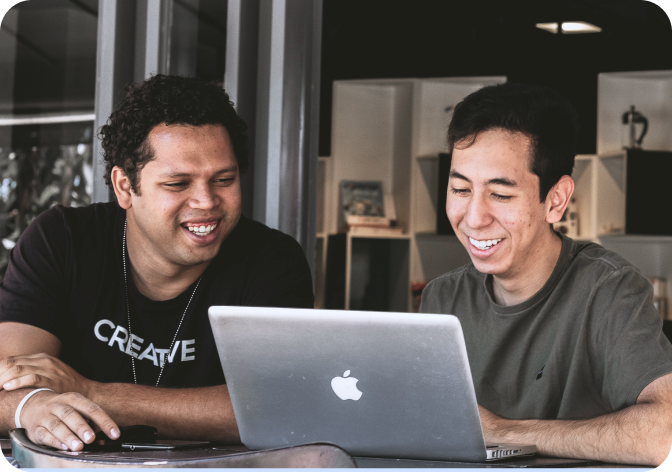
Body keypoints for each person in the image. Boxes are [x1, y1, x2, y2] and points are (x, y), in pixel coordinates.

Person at [0, 75, 314, 452]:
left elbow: (276, 407)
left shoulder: (272, 261)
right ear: (124, 187)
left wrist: (91, 393)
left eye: (224, 179)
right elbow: (9, 382)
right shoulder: (62, 239)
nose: (206, 201)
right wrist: (30, 407)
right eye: (178, 184)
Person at [419, 82, 672, 466]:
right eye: (459, 189)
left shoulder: (609, 290)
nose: (473, 218)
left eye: (500, 195)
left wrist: (504, 432)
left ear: (556, 200)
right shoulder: (442, 297)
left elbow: (664, 435)